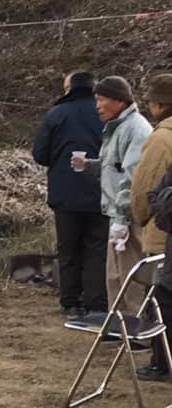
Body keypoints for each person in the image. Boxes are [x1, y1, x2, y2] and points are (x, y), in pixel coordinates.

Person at [71, 76, 152, 315]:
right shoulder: (118, 127)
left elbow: (132, 177)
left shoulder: (136, 129)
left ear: (119, 100)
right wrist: (92, 165)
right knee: (115, 275)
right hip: (117, 214)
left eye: (101, 99)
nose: (97, 106)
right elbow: (115, 166)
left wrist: (122, 218)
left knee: (131, 274)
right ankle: (118, 321)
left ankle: (135, 323)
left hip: (128, 217)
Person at [32, 71, 107, 318]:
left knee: (68, 250)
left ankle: (71, 302)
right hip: (100, 193)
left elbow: (40, 154)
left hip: (65, 194)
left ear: (69, 89)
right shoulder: (106, 114)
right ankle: (96, 303)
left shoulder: (57, 114)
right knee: (97, 251)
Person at [130, 74, 172, 383]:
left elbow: (145, 186)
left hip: (163, 228)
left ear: (159, 105)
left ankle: (162, 362)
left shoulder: (161, 138)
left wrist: (141, 216)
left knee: (162, 299)